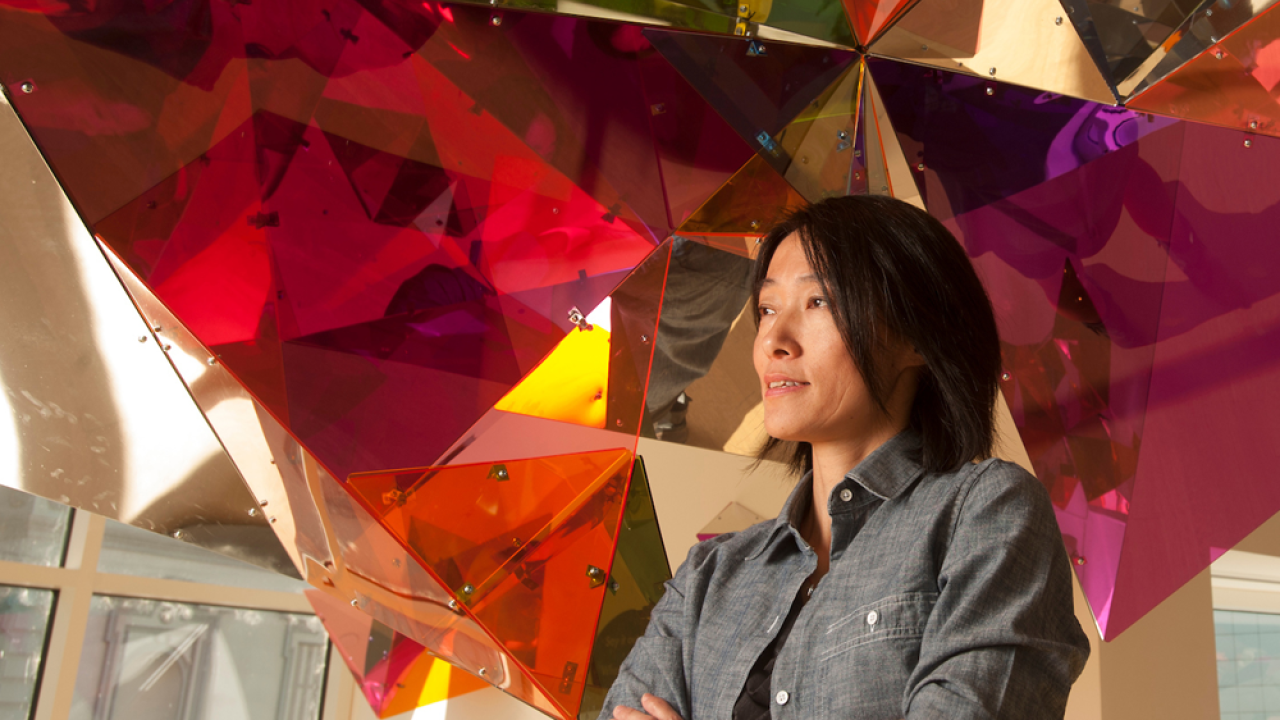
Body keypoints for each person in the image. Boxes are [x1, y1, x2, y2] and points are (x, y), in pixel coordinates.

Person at [601, 195, 1091, 720]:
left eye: (819, 302)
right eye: (767, 309)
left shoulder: (986, 513)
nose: (773, 341)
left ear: (917, 335)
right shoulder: (709, 576)